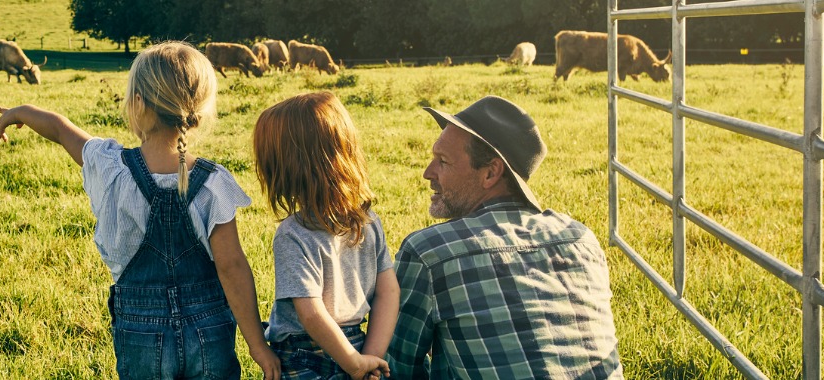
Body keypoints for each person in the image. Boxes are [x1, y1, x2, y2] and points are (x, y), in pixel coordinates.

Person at [0, 42, 280, 379]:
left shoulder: (112, 167)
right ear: (198, 111)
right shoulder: (214, 182)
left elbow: (60, 129)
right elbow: (232, 268)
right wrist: (257, 346)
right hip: (210, 330)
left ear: (139, 104)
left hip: (141, 333)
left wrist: (20, 111)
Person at [386, 95, 621, 379]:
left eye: (443, 161)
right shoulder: (580, 240)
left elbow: (394, 368)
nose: (428, 173)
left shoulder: (430, 252)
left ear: (491, 172)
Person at [252, 92, 399, 380]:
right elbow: (389, 292)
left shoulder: (293, 234)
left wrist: (356, 363)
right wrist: (370, 356)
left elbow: (311, 314)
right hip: (356, 343)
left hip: (305, 356)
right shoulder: (369, 222)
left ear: (287, 169)